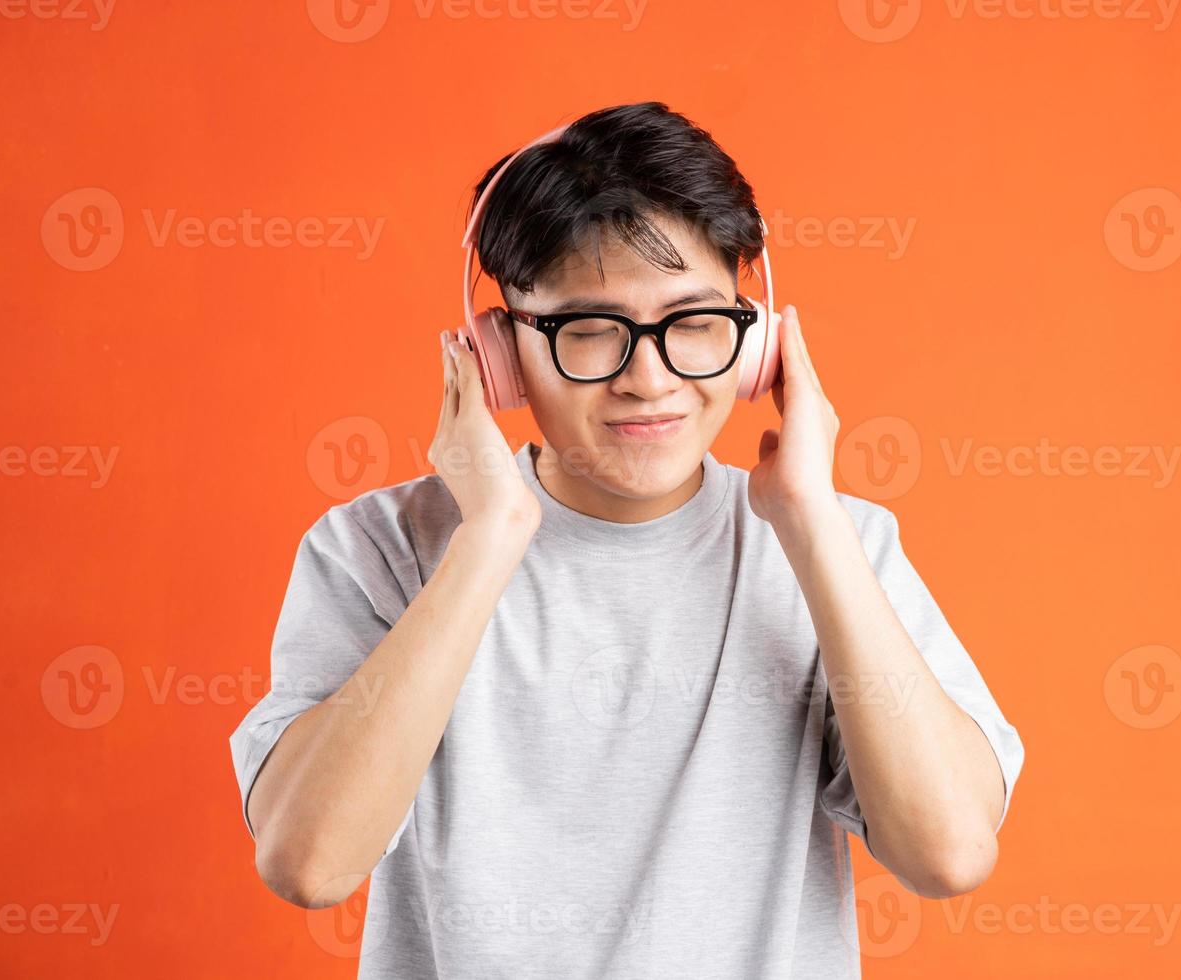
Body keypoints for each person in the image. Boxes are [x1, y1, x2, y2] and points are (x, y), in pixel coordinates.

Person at [228, 100, 1025, 979]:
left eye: (693, 324)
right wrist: (492, 536)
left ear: (759, 339)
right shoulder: (378, 549)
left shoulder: (838, 547)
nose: (649, 380)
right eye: (590, 330)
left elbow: (948, 853)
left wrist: (811, 519)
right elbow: (309, 862)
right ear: (495, 351)